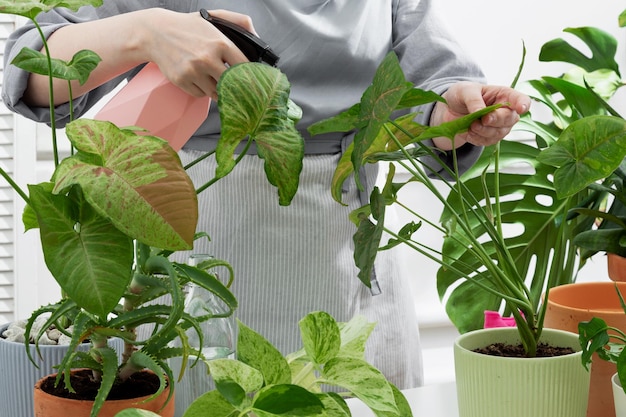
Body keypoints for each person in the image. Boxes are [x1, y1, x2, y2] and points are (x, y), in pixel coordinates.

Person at [2, 0, 531, 389]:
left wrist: (453, 117)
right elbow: (32, 70)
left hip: (351, 240)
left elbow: (433, 93)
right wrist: (147, 30)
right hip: (204, 234)